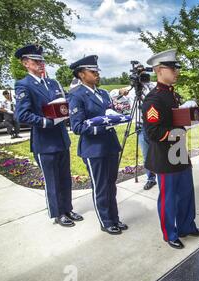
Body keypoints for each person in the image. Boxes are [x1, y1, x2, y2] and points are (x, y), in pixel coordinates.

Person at [141, 49, 199, 249]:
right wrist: (176, 132)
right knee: (168, 199)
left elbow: (175, 119)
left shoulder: (171, 94)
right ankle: (170, 233)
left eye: (177, 67)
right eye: (172, 68)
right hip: (164, 156)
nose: (176, 71)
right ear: (160, 70)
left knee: (186, 193)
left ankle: (187, 226)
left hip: (179, 153)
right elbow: (152, 132)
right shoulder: (154, 99)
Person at [15, 44, 82, 227]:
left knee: (65, 177)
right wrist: (45, 121)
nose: (41, 63)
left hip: (61, 137)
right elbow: (22, 115)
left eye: (42, 60)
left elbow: (62, 104)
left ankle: (67, 208)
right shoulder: (23, 85)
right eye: (36, 61)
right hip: (44, 141)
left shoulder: (53, 83)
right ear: (26, 63)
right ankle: (58, 213)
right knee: (52, 180)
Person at [68, 55, 126, 234]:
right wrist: (102, 125)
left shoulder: (102, 93)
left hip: (110, 145)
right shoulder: (76, 96)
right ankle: (106, 221)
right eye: (92, 72)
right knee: (100, 186)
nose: (97, 74)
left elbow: (109, 112)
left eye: (97, 71)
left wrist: (116, 116)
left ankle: (115, 217)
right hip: (94, 148)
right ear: (81, 74)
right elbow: (77, 126)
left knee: (111, 184)